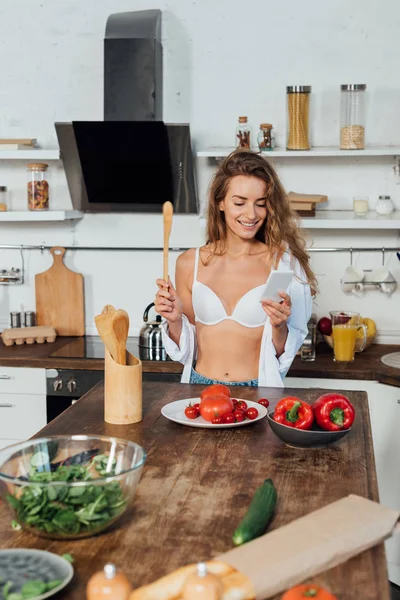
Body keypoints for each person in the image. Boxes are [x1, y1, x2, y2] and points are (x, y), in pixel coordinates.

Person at [155, 150, 317, 387]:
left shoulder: (283, 264)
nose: (251, 214)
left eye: (260, 204)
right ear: (220, 202)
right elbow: (186, 351)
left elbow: (284, 355)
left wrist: (279, 326)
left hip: (258, 391)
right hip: (199, 387)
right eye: (240, 202)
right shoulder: (190, 263)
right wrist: (174, 320)